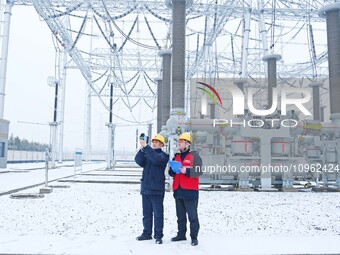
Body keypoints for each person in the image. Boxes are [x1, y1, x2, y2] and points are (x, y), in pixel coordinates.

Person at [169, 132, 203, 246]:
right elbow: (170, 172)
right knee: (180, 216)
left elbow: (199, 171)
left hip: (190, 191)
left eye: (181, 141)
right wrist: (173, 170)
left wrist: (186, 171)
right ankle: (181, 234)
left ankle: (194, 237)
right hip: (178, 190)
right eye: (179, 141)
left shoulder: (195, 156)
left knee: (192, 216)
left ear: (188, 144)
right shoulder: (176, 156)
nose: (179, 143)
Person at [134, 133, 169, 244]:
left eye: (156, 142)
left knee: (158, 214)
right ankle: (146, 233)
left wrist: (147, 148)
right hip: (146, 188)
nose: (154, 143)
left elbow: (156, 159)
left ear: (161, 144)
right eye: (153, 142)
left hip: (157, 190)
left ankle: (158, 235)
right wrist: (142, 149)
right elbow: (138, 161)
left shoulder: (163, 156)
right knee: (146, 214)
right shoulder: (148, 153)